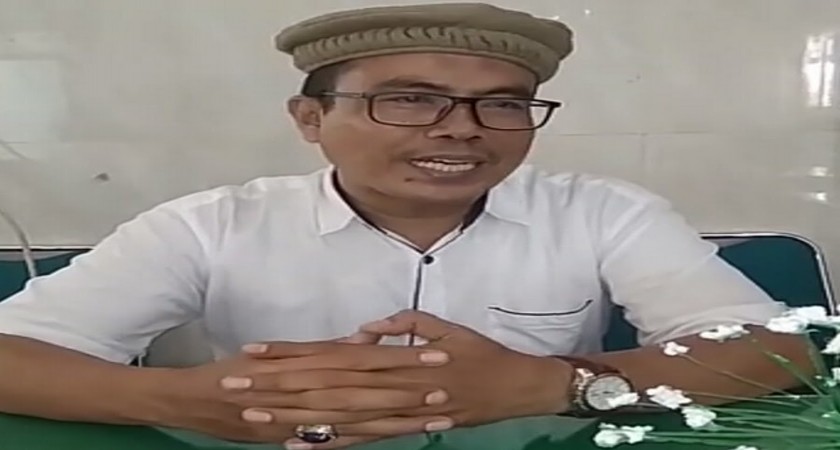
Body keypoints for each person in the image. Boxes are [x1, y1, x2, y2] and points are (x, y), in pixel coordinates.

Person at [0, 3, 809, 450]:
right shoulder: (207, 226)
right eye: (410, 100)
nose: (461, 129)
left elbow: (778, 352)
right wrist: (179, 399)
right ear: (310, 118)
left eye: (502, 105)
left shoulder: (604, 212)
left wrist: (553, 384)